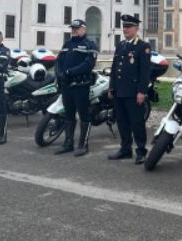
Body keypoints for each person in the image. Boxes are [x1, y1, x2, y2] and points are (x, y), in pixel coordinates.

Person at [107, 14, 152, 164]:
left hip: (133, 93)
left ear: (136, 28)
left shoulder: (142, 46)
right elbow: (115, 68)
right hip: (119, 91)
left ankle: (141, 151)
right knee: (122, 122)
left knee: (137, 123)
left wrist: (142, 92)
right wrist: (111, 87)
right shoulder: (120, 45)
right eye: (124, 27)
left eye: (129, 27)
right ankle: (125, 150)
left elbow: (145, 72)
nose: (125, 29)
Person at [54, 19, 98, 157]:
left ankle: (83, 145)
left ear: (84, 29)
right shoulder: (67, 44)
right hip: (66, 85)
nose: (74, 30)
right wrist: (59, 74)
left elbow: (88, 64)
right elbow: (58, 61)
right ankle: (68, 144)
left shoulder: (90, 44)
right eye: (72, 28)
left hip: (81, 85)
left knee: (84, 115)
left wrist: (70, 72)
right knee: (69, 115)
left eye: (77, 28)